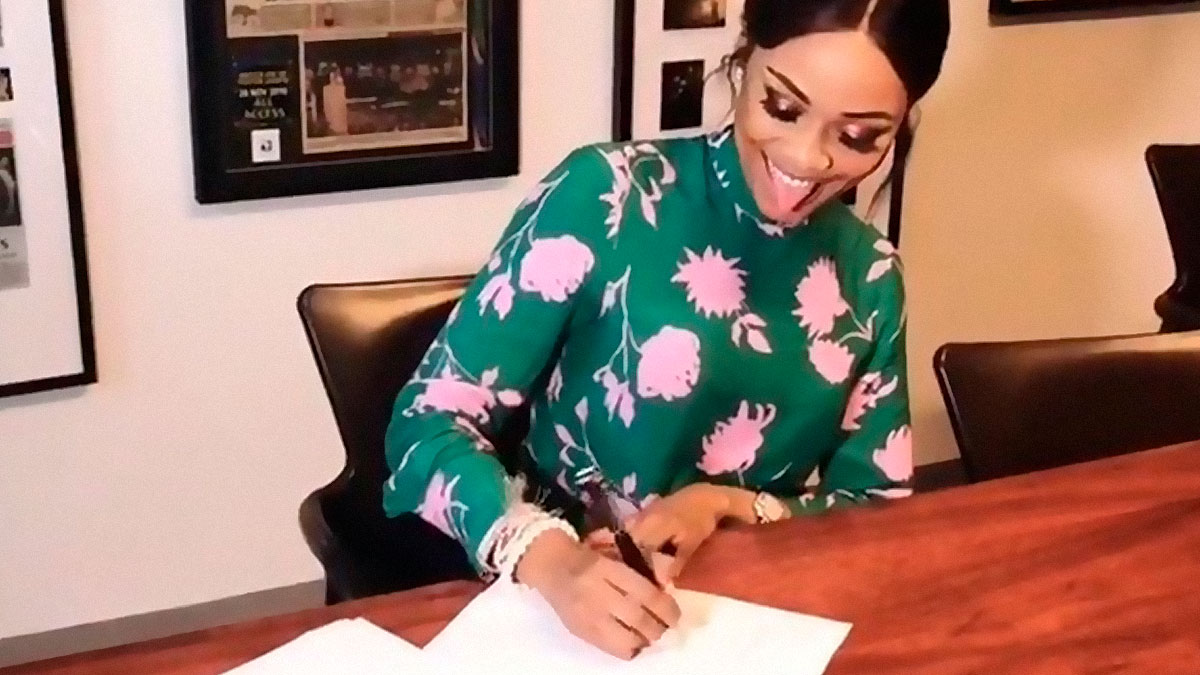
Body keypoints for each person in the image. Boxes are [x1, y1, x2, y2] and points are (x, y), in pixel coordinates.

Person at [383, 0, 950, 660]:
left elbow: (876, 511)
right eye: (782, 108)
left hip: (749, 622)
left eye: (856, 138)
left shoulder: (870, 275)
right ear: (743, 60)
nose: (807, 158)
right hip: (554, 598)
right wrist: (548, 557)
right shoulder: (605, 197)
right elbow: (426, 426)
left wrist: (728, 505)